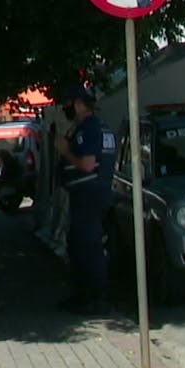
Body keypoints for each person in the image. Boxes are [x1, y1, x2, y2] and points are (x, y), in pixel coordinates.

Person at [54, 85, 117, 315]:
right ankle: (85, 294)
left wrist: (64, 151)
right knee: (81, 243)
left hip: (88, 194)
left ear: (80, 104)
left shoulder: (89, 129)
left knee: (88, 245)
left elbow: (88, 164)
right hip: (94, 193)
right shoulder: (100, 127)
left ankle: (95, 297)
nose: (66, 108)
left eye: (69, 103)